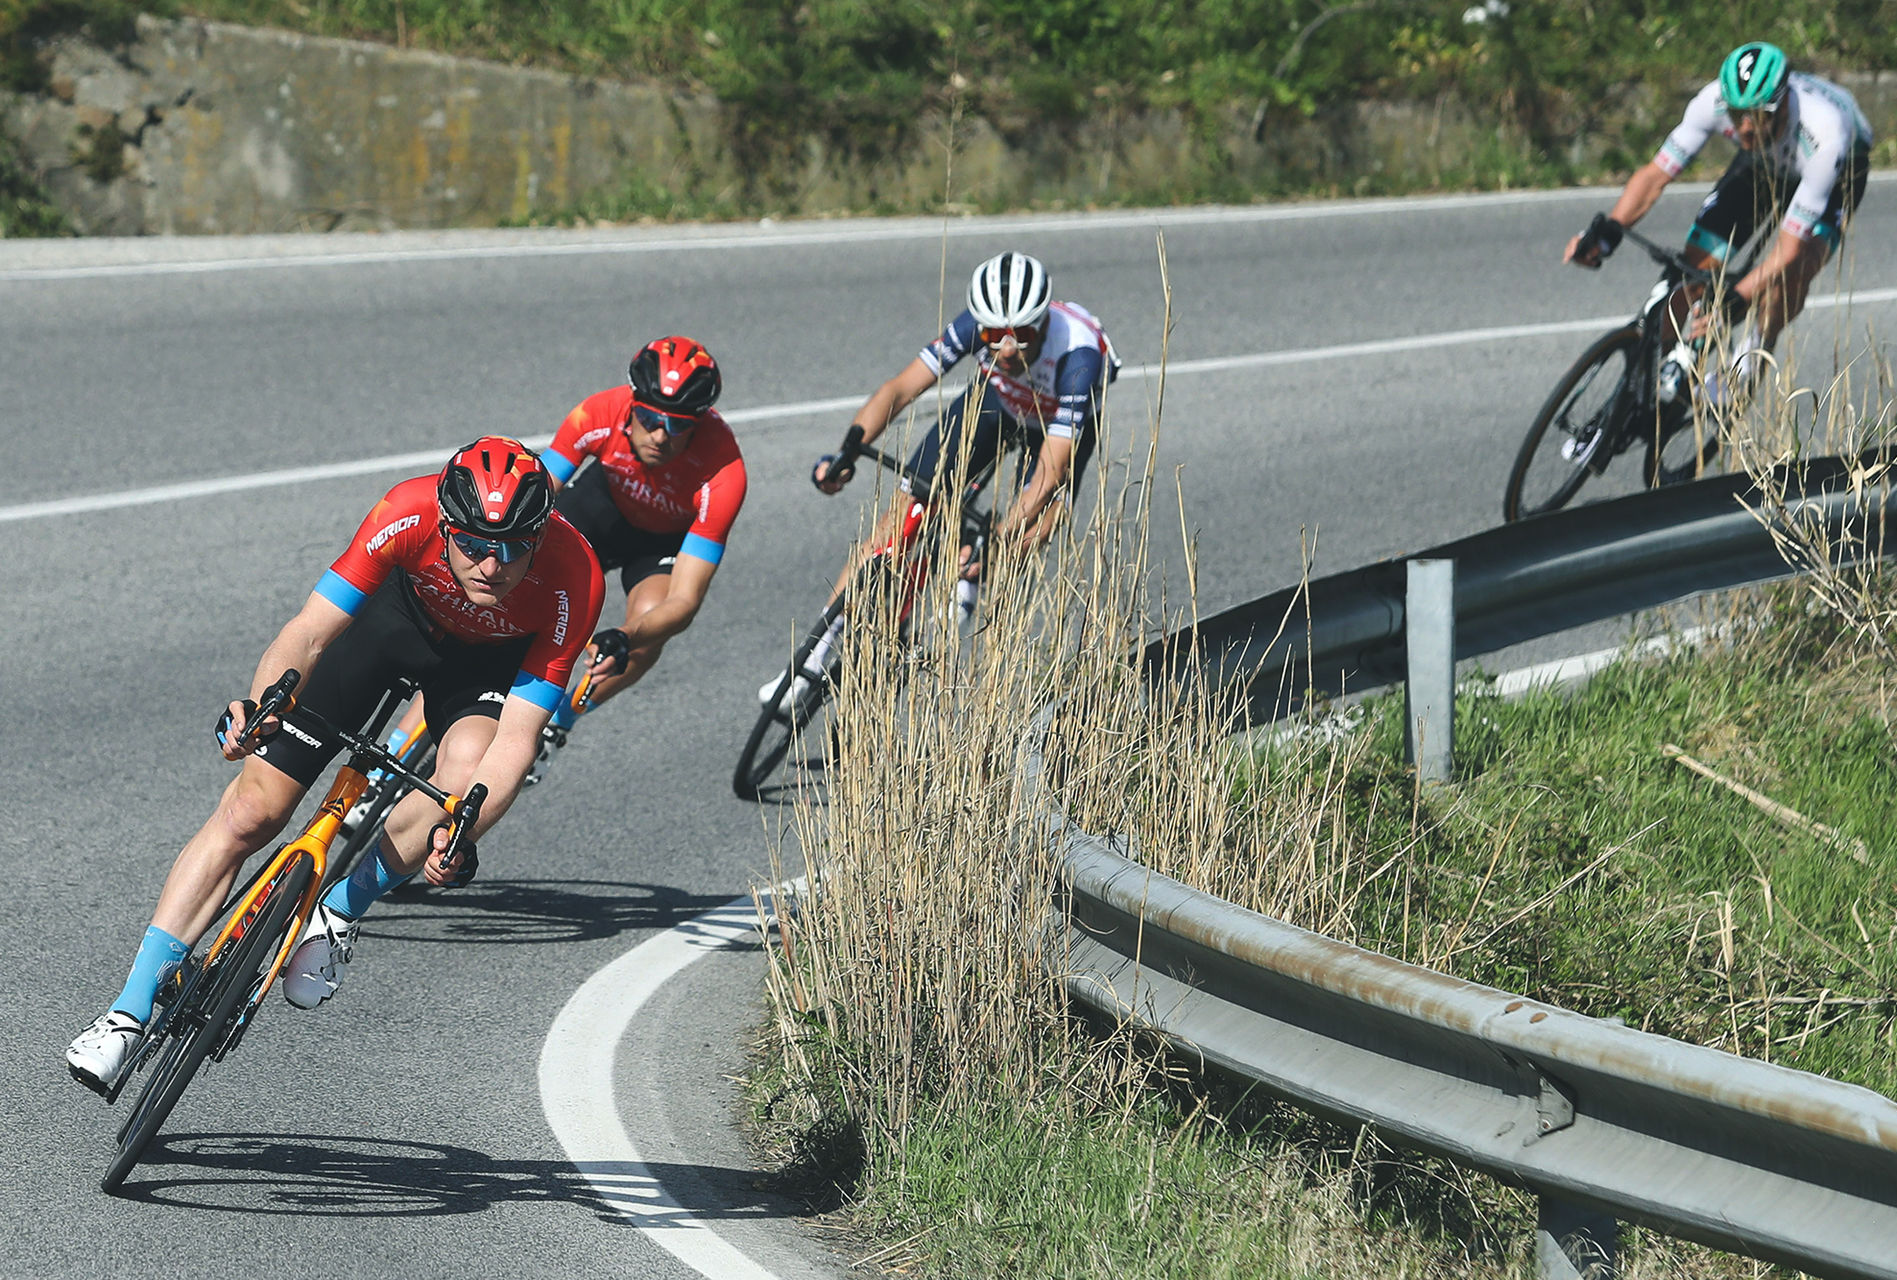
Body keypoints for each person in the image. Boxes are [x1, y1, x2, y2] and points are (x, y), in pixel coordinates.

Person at [66, 437, 603, 1093]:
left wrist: (462, 829)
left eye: (514, 547)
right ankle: (126, 1015)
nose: (492, 564)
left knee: (463, 779)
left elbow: (518, 736)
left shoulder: (574, 576)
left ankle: (340, 910)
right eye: (471, 544)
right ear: (443, 524)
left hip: (484, 670)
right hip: (390, 627)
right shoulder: (404, 510)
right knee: (250, 810)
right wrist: (265, 704)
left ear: (540, 534)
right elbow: (309, 632)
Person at [761, 251, 1119, 708]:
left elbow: (1050, 470)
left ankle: (970, 580)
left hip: (1054, 428)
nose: (1006, 349)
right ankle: (809, 662)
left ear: (1042, 324)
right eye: (994, 337)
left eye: (1021, 337)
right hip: (998, 404)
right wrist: (848, 448)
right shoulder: (975, 323)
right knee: (900, 516)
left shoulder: (1080, 357)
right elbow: (901, 388)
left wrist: (1002, 535)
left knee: (1033, 528)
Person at [1565, 41, 1872, 409]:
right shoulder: (1710, 102)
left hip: (1837, 172)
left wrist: (1735, 301)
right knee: (1694, 265)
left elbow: (1789, 250)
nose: (1744, 126)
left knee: (1794, 273)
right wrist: (1608, 231)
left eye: (1757, 115)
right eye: (1736, 112)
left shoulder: (1825, 132)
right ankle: (1662, 366)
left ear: (1783, 103)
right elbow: (1654, 175)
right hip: (1763, 161)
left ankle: (1746, 364)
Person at [528, 336, 747, 773]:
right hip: (599, 509)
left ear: (700, 422)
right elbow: (531, 495)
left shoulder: (724, 472)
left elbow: (684, 605)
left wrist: (627, 638)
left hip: (660, 543)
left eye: (680, 426)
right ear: (632, 404)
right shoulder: (598, 412)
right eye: (649, 419)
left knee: (652, 629)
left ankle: (559, 721)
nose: (661, 436)